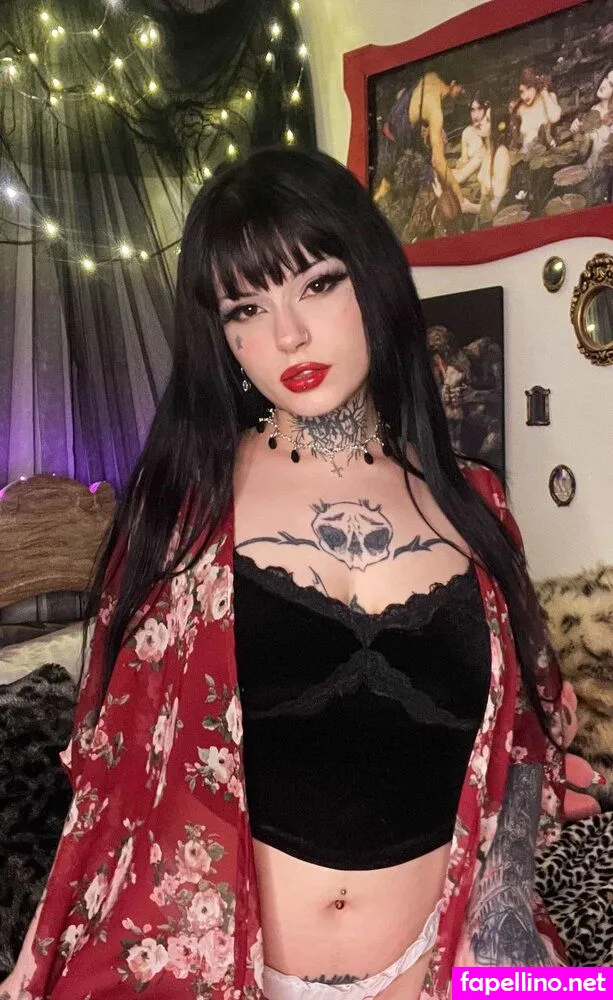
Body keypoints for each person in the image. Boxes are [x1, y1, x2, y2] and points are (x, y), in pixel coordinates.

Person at [1, 147, 567, 1000]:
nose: (288, 335)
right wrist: (36, 952)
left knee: (581, 989)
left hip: (450, 964)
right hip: (214, 973)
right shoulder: (183, 509)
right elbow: (109, 767)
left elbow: (526, 736)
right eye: (246, 308)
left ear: (373, 279)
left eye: (318, 283)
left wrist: (509, 912)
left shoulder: (476, 502)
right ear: (221, 334)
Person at [373, 71, 465, 208]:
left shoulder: (431, 76)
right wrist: (455, 186)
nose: (463, 91)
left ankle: (381, 192)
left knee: (386, 184)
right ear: (452, 83)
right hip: (395, 141)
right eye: (461, 87)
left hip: (390, 125)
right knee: (430, 178)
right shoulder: (435, 110)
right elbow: (438, 162)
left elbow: (410, 100)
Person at [460, 105, 512, 223]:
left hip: (491, 221)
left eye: (487, 120)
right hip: (480, 213)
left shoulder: (501, 155)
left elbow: (495, 207)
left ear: (500, 126)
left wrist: (469, 207)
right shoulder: (487, 150)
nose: (481, 122)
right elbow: (462, 174)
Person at [510, 68, 561, 153]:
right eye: (522, 92)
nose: (525, 95)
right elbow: (515, 139)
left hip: (548, 152)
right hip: (526, 154)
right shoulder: (520, 109)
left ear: (536, 85)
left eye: (529, 88)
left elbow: (554, 117)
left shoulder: (548, 97)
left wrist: (543, 91)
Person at [570, 68, 613, 170]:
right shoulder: (593, 108)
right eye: (606, 78)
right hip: (582, 167)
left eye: (611, 84)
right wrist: (576, 128)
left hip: (599, 171)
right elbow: (581, 145)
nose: (603, 85)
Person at [452, 92, 490, 185]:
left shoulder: (489, 131)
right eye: (472, 110)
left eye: (479, 109)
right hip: (469, 177)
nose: (475, 115)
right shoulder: (467, 132)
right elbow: (463, 160)